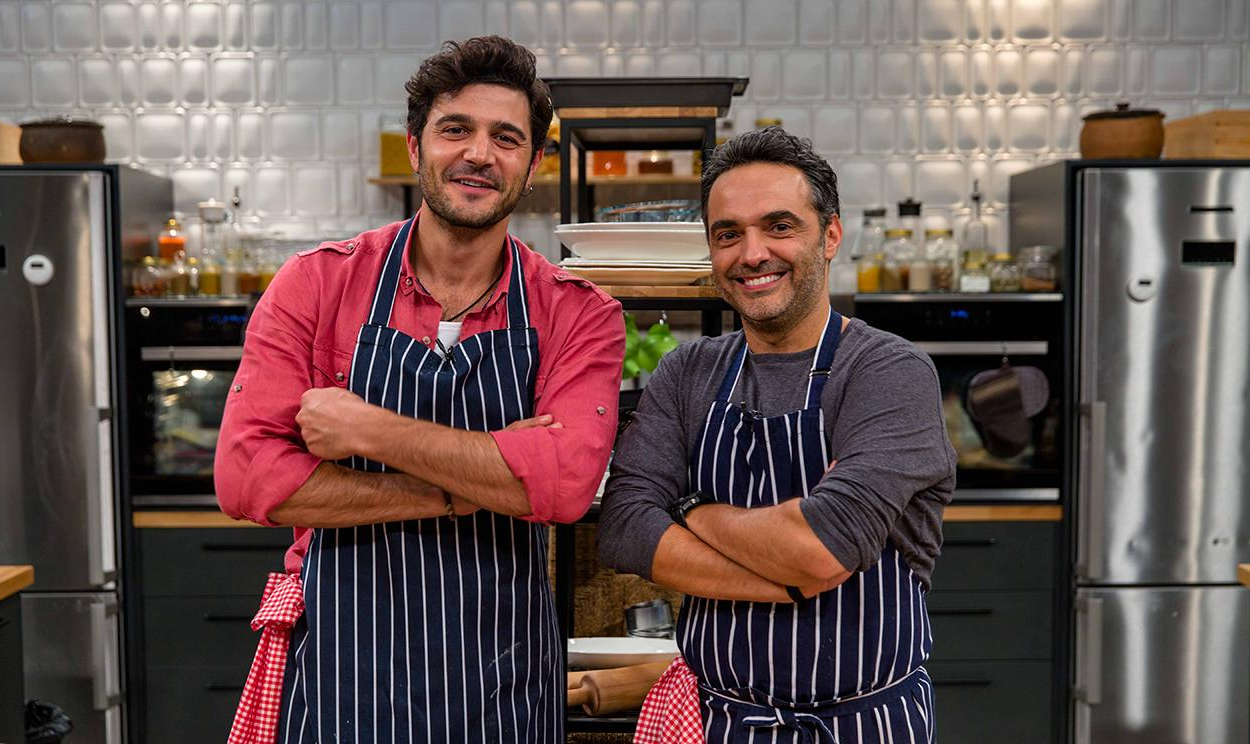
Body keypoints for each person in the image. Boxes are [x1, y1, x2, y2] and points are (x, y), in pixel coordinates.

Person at [216, 36, 624, 744]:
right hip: (345, 672)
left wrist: (368, 431)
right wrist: (470, 487)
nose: (479, 154)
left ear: (533, 166)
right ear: (416, 147)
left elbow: (563, 487)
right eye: (455, 129)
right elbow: (250, 479)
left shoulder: (577, 311)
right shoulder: (318, 283)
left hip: (500, 678)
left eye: (506, 138)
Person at [597, 126, 955, 743]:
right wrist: (788, 579)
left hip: (863, 723)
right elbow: (625, 527)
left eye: (779, 226)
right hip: (720, 722)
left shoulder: (888, 371)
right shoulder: (688, 372)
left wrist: (692, 510)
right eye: (728, 234)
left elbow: (820, 546)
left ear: (830, 236)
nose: (752, 253)